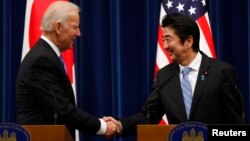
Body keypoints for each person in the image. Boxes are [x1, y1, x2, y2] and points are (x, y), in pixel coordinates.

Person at [104, 13, 245, 136]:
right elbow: (148, 116)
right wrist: (119, 125)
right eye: (163, 39)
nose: (165, 46)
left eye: (168, 39)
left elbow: (237, 126)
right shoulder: (164, 76)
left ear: (188, 41)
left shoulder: (221, 72)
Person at [16, 1, 117, 139]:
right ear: (58, 27)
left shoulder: (47, 56)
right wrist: (102, 126)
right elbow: (62, 110)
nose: (79, 33)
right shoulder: (41, 60)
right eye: (75, 27)